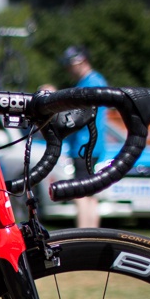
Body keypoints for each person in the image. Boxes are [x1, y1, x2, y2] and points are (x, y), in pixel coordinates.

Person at [61, 45, 108, 228]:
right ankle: (91, 235)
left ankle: (84, 236)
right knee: (90, 195)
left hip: (83, 146)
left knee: (80, 196)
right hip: (91, 145)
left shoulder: (90, 83)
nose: (68, 70)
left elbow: (79, 116)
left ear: (81, 62)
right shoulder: (95, 81)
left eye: (70, 65)